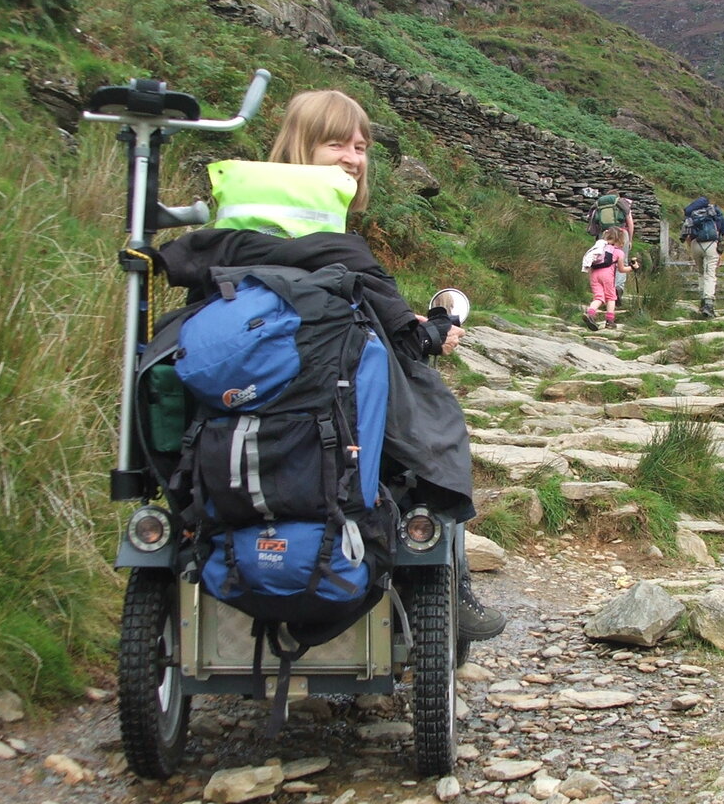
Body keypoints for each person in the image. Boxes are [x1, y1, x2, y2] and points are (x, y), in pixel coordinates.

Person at [159, 89, 505, 641]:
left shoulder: (222, 244)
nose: (352, 156)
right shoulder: (340, 251)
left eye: (361, 146)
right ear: (301, 145)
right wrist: (436, 330)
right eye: (336, 143)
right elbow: (407, 341)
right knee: (432, 442)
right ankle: (449, 589)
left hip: (227, 436)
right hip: (329, 424)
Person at [681, 196, 724, 319]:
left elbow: (687, 236)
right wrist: (720, 252)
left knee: (701, 273)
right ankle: (708, 304)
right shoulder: (716, 213)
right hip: (711, 245)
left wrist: (692, 248)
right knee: (710, 274)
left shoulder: (692, 215)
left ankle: (702, 303)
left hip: (695, 244)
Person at [580, 226, 634, 330]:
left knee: (599, 297)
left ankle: (590, 313)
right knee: (611, 297)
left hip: (594, 274)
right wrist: (632, 268)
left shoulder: (599, 248)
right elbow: (621, 269)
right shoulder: (618, 252)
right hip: (607, 276)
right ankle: (610, 321)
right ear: (619, 240)